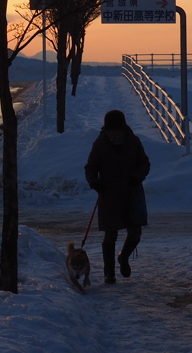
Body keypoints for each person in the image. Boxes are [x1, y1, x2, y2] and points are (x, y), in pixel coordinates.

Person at [84, 109, 151, 284]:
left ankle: (124, 257)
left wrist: (137, 177)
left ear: (123, 127)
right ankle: (109, 273)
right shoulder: (100, 144)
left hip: (132, 192)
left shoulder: (134, 142)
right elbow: (90, 167)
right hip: (109, 194)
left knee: (135, 232)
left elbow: (144, 163)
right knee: (110, 234)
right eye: (111, 130)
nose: (114, 133)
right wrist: (95, 182)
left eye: (117, 129)